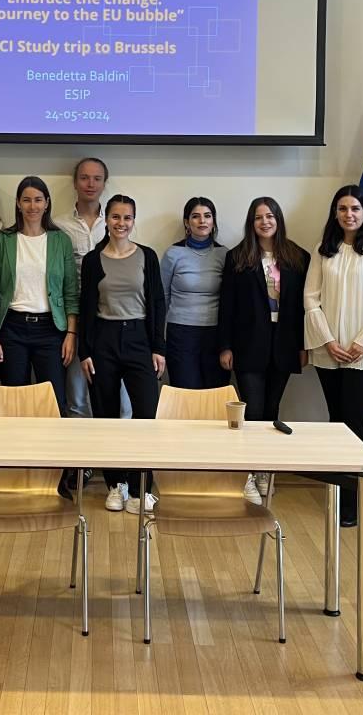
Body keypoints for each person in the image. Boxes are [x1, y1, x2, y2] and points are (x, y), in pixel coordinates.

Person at [304, 186, 363, 526]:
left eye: (355, 208)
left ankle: (356, 498)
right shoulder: (322, 250)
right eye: (342, 208)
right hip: (328, 350)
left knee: (355, 419)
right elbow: (311, 299)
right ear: (335, 213)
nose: (349, 214)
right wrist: (328, 341)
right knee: (336, 420)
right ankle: (338, 490)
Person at [218, 197, 310, 504]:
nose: (265, 222)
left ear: (279, 220)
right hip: (248, 344)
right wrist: (225, 345)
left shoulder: (298, 257)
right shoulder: (238, 257)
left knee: (272, 411)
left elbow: (302, 309)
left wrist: (302, 346)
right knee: (253, 410)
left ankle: (265, 472)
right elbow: (227, 306)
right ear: (251, 223)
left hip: (283, 344)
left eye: (270, 216)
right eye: (258, 217)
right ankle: (248, 473)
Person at [78, 195, 166, 515]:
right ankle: (116, 484)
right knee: (106, 415)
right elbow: (86, 305)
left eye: (127, 218)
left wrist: (159, 347)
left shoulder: (147, 256)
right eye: (115, 217)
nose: (121, 223)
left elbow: (157, 303)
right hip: (103, 339)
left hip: (139, 338)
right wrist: (84, 352)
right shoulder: (92, 260)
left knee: (145, 415)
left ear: (133, 221)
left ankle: (142, 486)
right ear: (106, 219)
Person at [0, 176, 79, 413]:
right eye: (26, 200)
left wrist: (71, 333)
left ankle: (50, 450)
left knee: (52, 402)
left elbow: (70, 292)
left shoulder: (61, 241)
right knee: (15, 402)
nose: (32, 206)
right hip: (10, 328)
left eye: (38, 200)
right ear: (18, 203)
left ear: (47, 203)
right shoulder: (2, 241)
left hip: (51, 330)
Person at [59, 157, 132, 421]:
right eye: (84, 178)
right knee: (77, 394)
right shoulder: (59, 225)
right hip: (75, 318)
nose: (91, 184)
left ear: (105, 183)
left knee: (120, 396)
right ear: (75, 182)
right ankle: (81, 461)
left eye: (97, 178)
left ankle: (120, 460)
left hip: (112, 319)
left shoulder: (117, 221)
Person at [161, 197, 228, 390]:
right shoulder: (173, 253)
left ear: (213, 221)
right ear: (186, 222)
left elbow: (230, 300)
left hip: (215, 335)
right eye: (196, 216)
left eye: (207, 216)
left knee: (215, 393)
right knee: (185, 392)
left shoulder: (224, 254)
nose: (202, 221)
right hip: (181, 333)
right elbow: (162, 297)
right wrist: (158, 338)